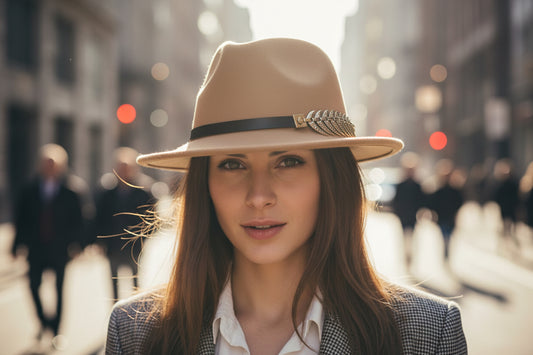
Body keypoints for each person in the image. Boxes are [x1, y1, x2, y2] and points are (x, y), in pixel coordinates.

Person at [105, 38, 467, 354]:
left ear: (331, 180)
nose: (259, 196)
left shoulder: (426, 334)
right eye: (232, 165)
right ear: (204, 186)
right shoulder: (134, 333)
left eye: (288, 161)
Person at [12, 144, 83, 339]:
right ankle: (44, 321)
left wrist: (78, 245)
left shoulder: (71, 190)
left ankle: (57, 330)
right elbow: (21, 219)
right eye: (46, 163)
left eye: (53, 164)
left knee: (59, 289)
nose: (49, 167)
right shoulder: (29, 190)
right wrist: (16, 245)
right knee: (33, 286)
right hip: (36, 248)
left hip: (60, 249)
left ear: (61, 166)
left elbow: (79, 220)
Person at [92, 147, 153, 301]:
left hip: (134, 246)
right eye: (120, 168)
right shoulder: (107, 193)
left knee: (135, 282)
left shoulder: (142, 192)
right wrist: (99, 241)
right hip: (113, 246)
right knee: (114, 282)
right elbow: (99, 218)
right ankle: (115, 313)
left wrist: (144, 239)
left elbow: (152, 219)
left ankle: (135, 313)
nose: (124, 171)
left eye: (127, 168)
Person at [392, 152, 425, 268]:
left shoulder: (417, 185)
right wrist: (397, 212)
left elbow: (421, 200)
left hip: (413, 215)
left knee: (412, 235)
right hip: (403, 215)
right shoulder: (401, 184)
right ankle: (406, 254)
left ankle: (410, 254)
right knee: (404, 236)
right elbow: (396, 200)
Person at [428, 160, 464, 262]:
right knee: (445, 235)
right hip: (442, 217)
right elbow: (433, 203)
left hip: (450, 216)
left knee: (448, 234)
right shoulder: (438, 190)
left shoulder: (455, 190)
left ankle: (447, 250)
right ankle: (445, 249)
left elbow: (459, 202)